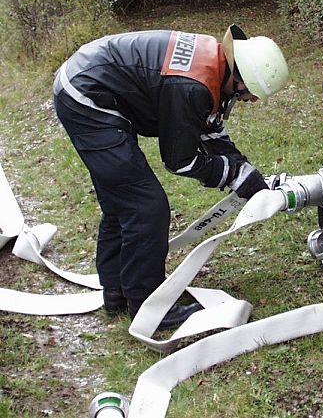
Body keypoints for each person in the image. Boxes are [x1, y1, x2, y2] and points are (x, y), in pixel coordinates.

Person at [53, 24, 289, 329]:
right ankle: (147, 306)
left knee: (121, 200)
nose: (251, 100)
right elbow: (181, 160)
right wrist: (232, 175)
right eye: (251, 93)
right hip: (86, 95)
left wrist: (245, 173)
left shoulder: (214, 64)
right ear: (240, 78)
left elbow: (208, 126)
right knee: (145, 206)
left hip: (90, 81)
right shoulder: (191, 87)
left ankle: (116, 292)